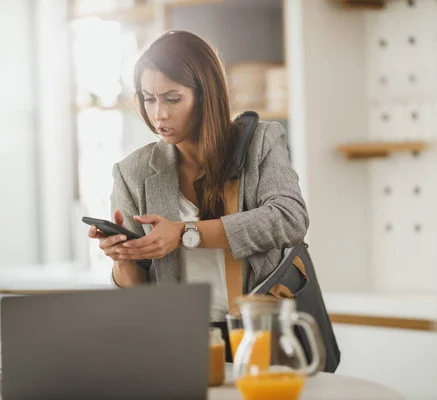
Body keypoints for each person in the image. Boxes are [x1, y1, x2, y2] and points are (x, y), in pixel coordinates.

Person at [87, 30, 308, 360]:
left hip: (258, 333)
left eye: (172, 99)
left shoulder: (260, 142)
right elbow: (137, 296)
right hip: (179, 340)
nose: (158, 114)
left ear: (206, 95)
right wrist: (123, 259)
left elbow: (290, 219)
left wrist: (185, 233)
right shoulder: (132, 172)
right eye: (149, 98)